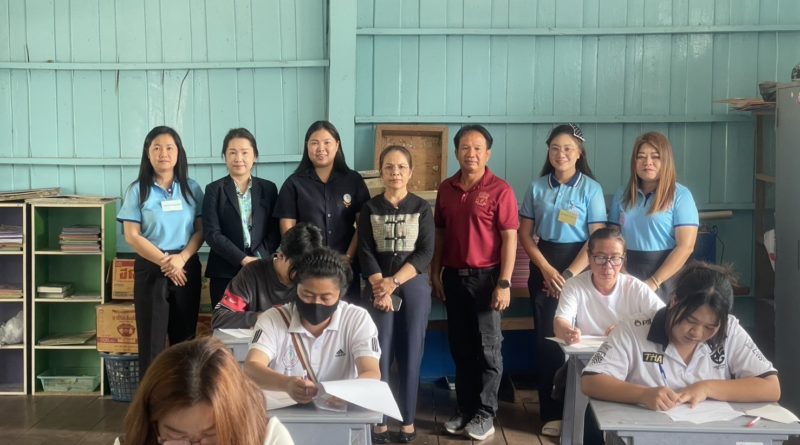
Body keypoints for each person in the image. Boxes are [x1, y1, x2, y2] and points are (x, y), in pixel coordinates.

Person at [581, 263, 780, 445]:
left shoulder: (730, 330)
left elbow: (771, 387)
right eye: (690, 321)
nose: (697, 333)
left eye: (710, 327)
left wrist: (707, 388)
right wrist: (642, 394)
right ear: (674, 301)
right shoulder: (634, 329)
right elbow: (591, 381)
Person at [431, 124, 519, 441]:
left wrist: (504, 283)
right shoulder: (446, 188)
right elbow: (440, 234)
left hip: (487, 280)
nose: (471, 153)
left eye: (478, 148)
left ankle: (485, 413)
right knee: (462, 347)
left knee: (488, 349)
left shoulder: (500, 190)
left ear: (488, 153)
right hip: (454, 278)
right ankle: (466, 408)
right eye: (465, 147)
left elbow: (510, 239)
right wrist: (435, 272)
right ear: (456, 152)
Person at [517, 123, 606, 437]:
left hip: (580, 266)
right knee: (547, 342)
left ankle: (582, 414)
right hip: (544, 265)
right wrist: (546, 270)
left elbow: (595, 238)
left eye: (568, 148)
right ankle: (551, 414)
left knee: (578, 340)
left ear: (579, 153)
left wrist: (568, 275)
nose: (561, 154)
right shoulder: (537, 187)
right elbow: (525, 235)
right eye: (555, 148)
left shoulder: (591, 189)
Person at [358, 145, 435, 444]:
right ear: (381, 172)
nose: (395, 173)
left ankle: (407, 421)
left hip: (413, 286)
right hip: (377, 287)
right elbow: (365, 250)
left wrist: (394, 282)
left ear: (410, 172)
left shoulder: (421, 208)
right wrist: (381, 285)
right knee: (379, 353)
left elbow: (425, 251)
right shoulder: (370, 208)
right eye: (389, 167)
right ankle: (379, 421)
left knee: (411, 352)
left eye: (401, 167)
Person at [117, 126, 204, 378]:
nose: (163, 153)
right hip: (151, 267)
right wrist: (166, 262)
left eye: (169, 147)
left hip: (185, 266)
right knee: (151, 341)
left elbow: (201, 231)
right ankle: (151, 396)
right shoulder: (138, 190)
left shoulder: (192, 188)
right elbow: (132, 236)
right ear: (148, 153)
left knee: (185, 340)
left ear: (178, 153)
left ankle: (185, 392)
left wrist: (181, 259)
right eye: (156, 148)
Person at [244, 246, 381, 404]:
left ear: (340, 294)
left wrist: (347, 392)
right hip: (285, 414)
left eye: (326, 298)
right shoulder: (273, 319)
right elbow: (251, 368)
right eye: (307, 295)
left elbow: (371, 372)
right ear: (296, 288)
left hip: (341, 412)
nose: (316, 303)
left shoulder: (357, 319)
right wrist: (286, 384)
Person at [122, 336, 294, 445]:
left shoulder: (269, 439)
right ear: (153, 426)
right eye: (177, 437)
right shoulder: (136, 440)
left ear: (236, 419)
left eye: (211, 435)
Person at [273, 120, 370, 301]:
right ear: (307, 146)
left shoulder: (353, 180)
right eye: (314, 143)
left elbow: (363, 224)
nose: (321, 148)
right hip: (307, 269)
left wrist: (348, 257)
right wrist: (301, 258)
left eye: (327, 142)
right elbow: (287, 228)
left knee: (346, 315)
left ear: (337, 145)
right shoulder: (294, 183)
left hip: (345, 266)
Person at [608, 131, 699, 302]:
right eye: (641, 157)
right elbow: (612, 237)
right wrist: (623, 272)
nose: (647, 162)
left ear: (666, 160)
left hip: (666, 276)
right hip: (626, 272)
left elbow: (685, 247)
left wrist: (654, 282)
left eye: (655, 157)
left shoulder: (681, 195)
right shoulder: (622, 194)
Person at [203, 128, 280, 309]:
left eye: (245, 152)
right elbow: (212, 233)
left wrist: (257, 258)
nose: (239, 158)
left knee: (261, 321)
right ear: (224, 156)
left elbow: (275, 230)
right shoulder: (214, 190)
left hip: (261, 268)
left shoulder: (269, 189)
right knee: (226, 322)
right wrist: (242, 259)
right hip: (224, 270)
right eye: (232, 152)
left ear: (255, 156)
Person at [554, 227, 664, 345]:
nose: (608, 266)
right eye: (601, 258)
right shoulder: (574, 285)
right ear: (589, 256)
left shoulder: (636, 287)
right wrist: (568, 332)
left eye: (615, 258)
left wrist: (627, 329)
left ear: (623, 258)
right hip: (585, 354)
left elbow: (664, 319)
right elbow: (561, 320)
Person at [212, 223, 323, 329]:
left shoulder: (313, 278)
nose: (303, 274)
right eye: (296, 268)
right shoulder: (251, 273)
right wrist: (264, 317)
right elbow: (220, 318)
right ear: (281, 255)